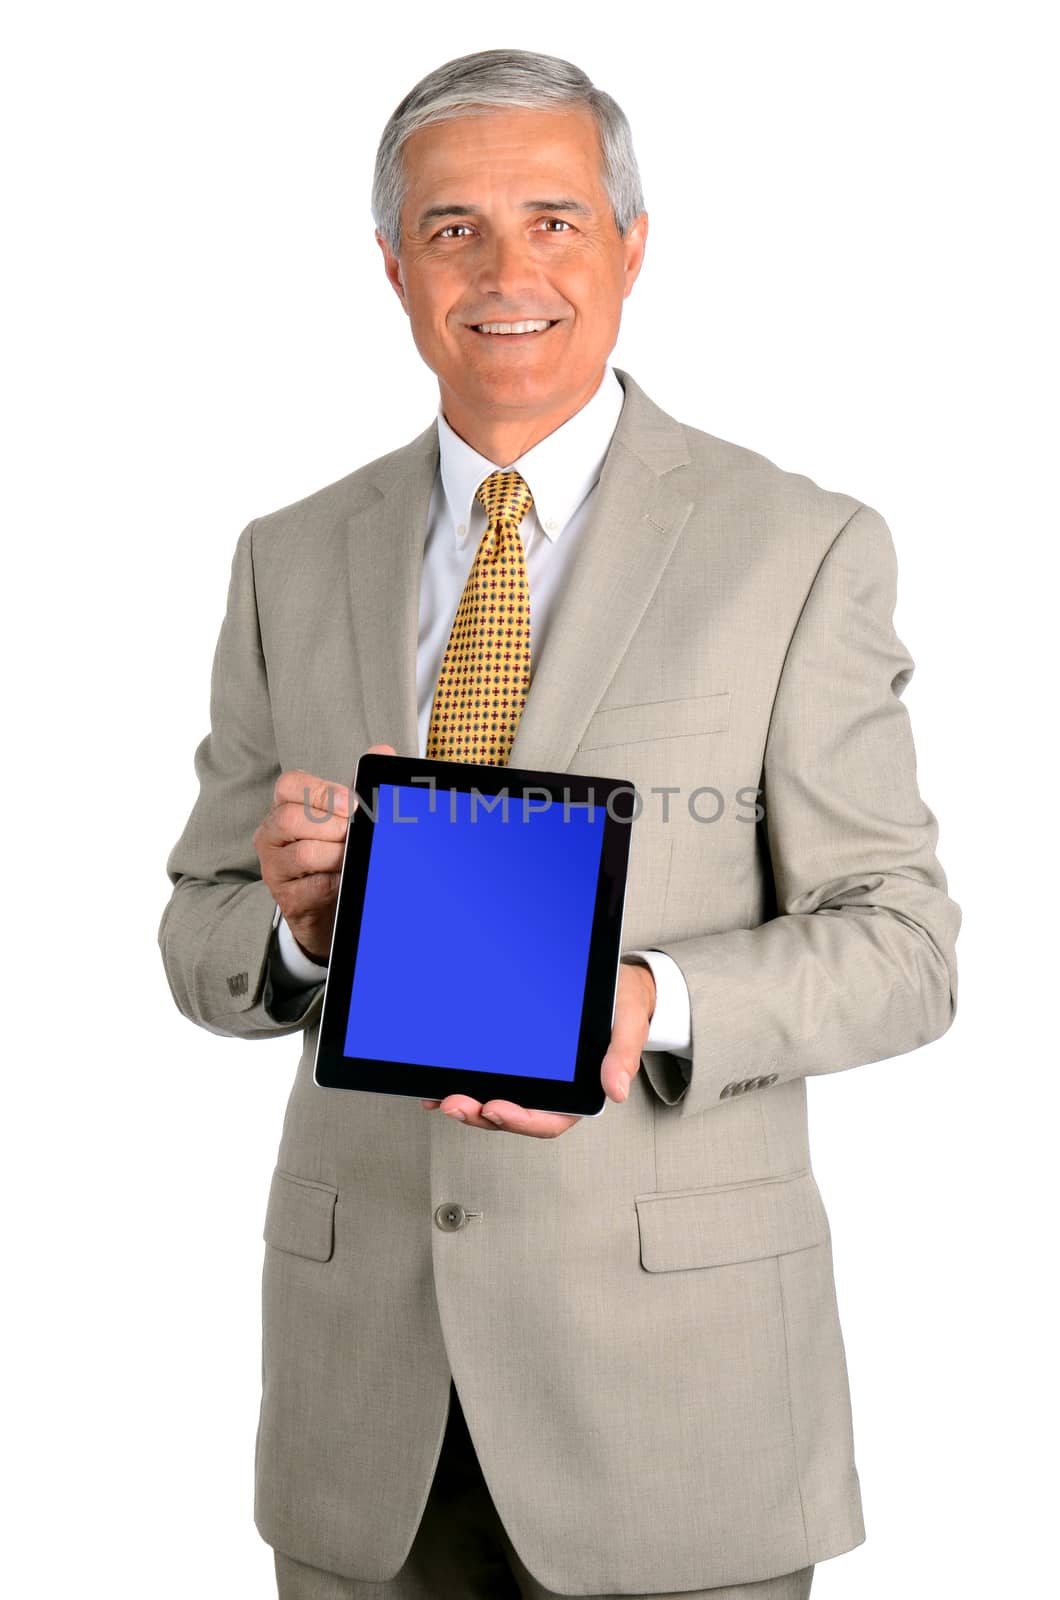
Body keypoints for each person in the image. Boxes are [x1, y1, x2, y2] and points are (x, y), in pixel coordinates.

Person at [158, 47, 961, 1600]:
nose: (506, 270)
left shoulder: (797, 551)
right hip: (363, 1406)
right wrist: (293, 934)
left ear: (632, 245)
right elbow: (197, 928)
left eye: (555, 219)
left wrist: (644, 1001)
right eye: (454, 228)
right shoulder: (290, 557)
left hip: (676, 1404)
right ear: (394, 267)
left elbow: (907, 947)